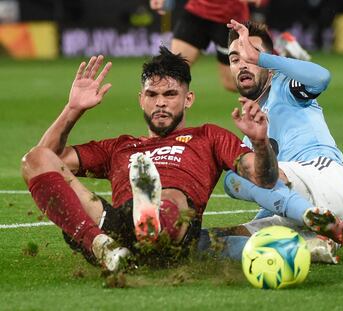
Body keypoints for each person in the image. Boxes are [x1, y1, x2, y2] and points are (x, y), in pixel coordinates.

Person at [21, 46, 282, 272]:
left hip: (175, 236)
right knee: (34, 157)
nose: (161, 103)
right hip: (117, 230)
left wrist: (259, 143)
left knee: (171, 196)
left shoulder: (208, 136)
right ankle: (102, 246)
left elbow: (264, 179)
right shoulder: (120, 147)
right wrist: (73, 110)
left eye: (170, 95)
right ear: (141, 99)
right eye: (152, 95)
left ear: (188, 99)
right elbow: (43, 163)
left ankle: (147, 217)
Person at [219, 20, 343, 261]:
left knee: (234, 177)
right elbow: (277, 190)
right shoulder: (250, 129)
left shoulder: (285, 88)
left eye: (252, 56)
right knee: (224, 242)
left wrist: (263, 59)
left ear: (269, 64)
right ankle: (312, 243)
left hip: (324, 178)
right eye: (235, 59)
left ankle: (312, 224)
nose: (243, 64)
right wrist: (256, 225)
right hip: (307, 203)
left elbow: (322, 78)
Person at [149, 0, 268, 91]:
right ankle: (169, 120)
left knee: (232, 84)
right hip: (197, 12)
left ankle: (277, 77)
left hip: (230, 20)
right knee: (172, 73)